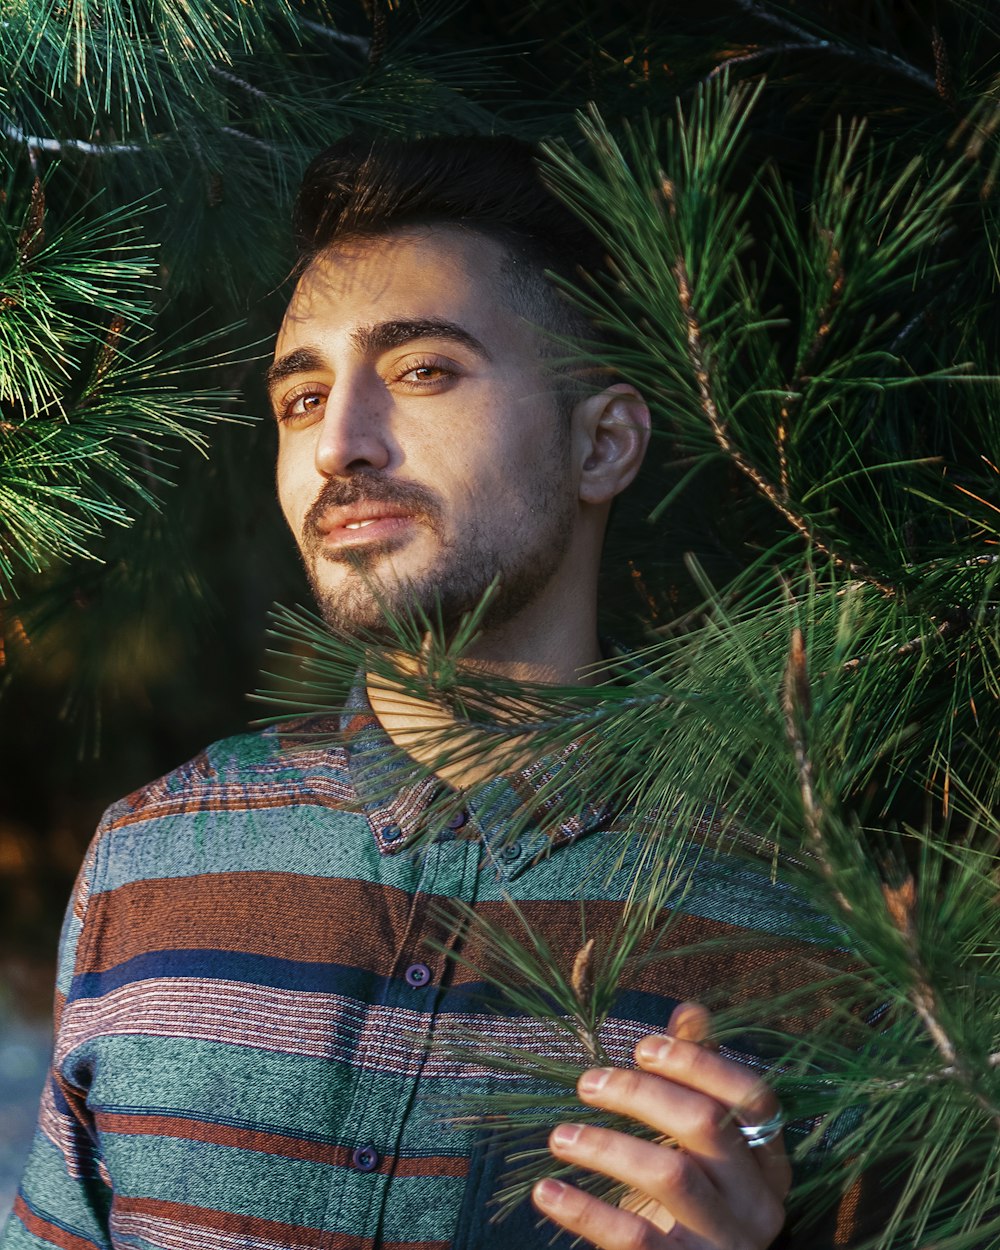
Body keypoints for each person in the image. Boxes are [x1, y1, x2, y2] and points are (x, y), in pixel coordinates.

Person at [4, 136, 850, 1250]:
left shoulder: (799, 920)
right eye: (301, 396)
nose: (339, 445)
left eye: (423, 372)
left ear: (602, 442)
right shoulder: (150, 857)